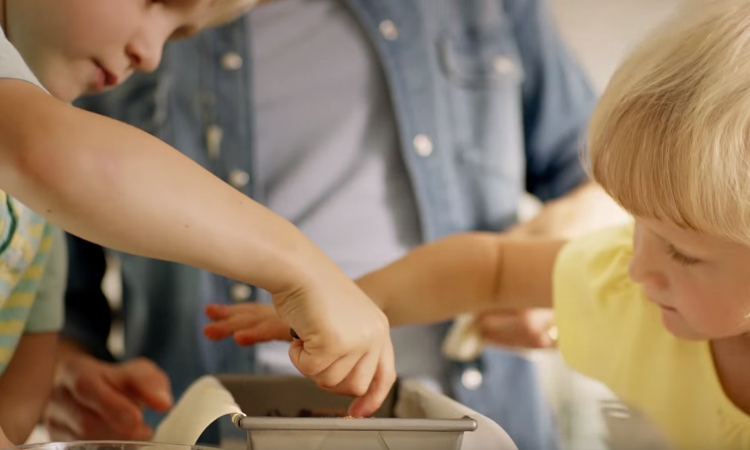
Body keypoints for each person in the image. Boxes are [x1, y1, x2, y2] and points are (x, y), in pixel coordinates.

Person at [45, 0, 626, 448]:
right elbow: (57, 291)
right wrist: (67, 371)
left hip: (484, 418)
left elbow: (614, 184)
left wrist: (537, 275)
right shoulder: (102, 36)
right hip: (206, 427)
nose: (149, 49)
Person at [209, 0, 750, 448]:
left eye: (682, 253)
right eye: (635, 224)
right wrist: (338, 303)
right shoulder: (617, 283)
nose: (636, 267)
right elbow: (486, 271)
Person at [0, 0, 397, 444]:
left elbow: (14, 411)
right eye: (157, 0)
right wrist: (305, 269)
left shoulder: (34, 218)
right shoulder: (37, 152)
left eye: (177, 33)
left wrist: (67, 368)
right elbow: (48, 151)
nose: (150, 55)